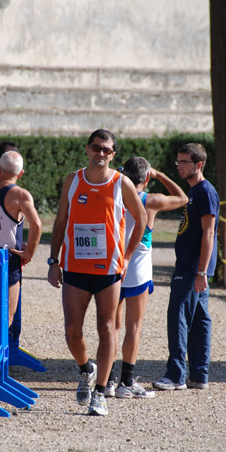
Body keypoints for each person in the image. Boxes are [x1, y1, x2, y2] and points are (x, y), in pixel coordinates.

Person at [47, 129, 146, 416]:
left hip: (108, 269)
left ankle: (100, 393)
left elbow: (140, 219)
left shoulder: (121, 182)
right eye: (96, 148)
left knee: (106, 328)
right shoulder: (74, 180)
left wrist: (126, 256)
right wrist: (54, 261)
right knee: (72, 331)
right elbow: (61, 221)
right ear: (87, 150)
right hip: (76, 266)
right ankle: (85, 369)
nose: (100, 154)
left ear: (113, 154)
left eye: (106, 150)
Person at [110, 157, 188, 399]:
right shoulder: (149, 200)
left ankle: (108, 380)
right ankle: (126, 381)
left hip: (112, 265)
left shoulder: (113, 194)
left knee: (111, 325)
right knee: (134, 325)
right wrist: (159, 175)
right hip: (137, 269)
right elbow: (183, 198)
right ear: (145, 178)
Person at [153, 143, 219, 391]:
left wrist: (201, 271)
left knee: (177, 317)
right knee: (200, 319)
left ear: (198, 165)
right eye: (178, 162)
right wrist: (159, 175)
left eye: (184, 162)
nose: (179, 166)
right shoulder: (192, 192)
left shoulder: (205, 192)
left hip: (192, 269)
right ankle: (199, 376)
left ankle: (175, 375)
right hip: (192, 267)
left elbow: (209, 233)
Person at [0, 151, 42, 330]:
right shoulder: (20, 195)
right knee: (5, 316)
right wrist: (28, 253)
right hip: (6, 259)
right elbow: (36, 224)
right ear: (20, 174)